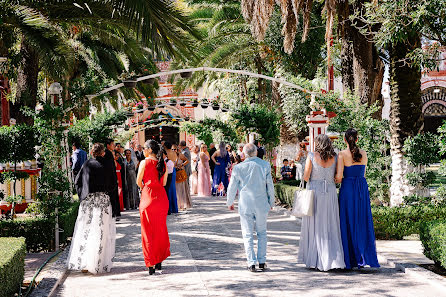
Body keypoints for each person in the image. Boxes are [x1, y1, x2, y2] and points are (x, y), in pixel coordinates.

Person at [298, 134, 345, 271]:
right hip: (330, 192)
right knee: (330, 224)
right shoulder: (335, 157)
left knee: (316, 225)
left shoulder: (312, 156)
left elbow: (306, 177)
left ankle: (317, 259)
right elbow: (338, 178)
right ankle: (332, 259)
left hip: (315, 191)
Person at [335, 128, 380, 270]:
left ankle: (351, 259)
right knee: (362, 220)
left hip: (348, 188)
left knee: (347, 220)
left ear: (344, 139)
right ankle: (364, 256)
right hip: (361, 187)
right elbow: (363, 173)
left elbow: (339, 177)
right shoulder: (364, 153)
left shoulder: (342, 154)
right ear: (357, 139)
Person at [227, 143, 275, 272]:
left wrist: (229, 202)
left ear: (244, 154)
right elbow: (270, 185)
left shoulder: (238, 168)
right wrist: (272, 202)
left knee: (247, 234)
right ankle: (262, 261)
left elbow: (232, 186)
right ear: (255, 152)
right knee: (262, 233)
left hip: (245, 204)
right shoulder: (265, 165)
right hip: (261, 203)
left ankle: (251, 262)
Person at [69, 143, 116, 274]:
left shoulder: (87, 165)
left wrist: (83, 194)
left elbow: (77, 182)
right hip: (103, 201)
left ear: (92, 153)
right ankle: (99, 263)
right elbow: (113, 184)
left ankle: (85, 262)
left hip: (88, 202)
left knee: (86, 229)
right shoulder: (107, 165)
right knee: (101, 231)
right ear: (103, 153)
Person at [136, 140, 171, 275]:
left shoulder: (144, 162)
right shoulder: (163, 164)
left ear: (150, 149)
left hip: (148, 197)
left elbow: (139, 181)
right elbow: (164, 182)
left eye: (144, 148)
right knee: (160, 230)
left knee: (148, 232)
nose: (143, 150)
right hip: (161, 199)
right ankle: (159, 262)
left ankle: (150, 263)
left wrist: (146, 188)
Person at [99, 138, 121, 219]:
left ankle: (115, 213)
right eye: (112, 144)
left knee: (114, 196)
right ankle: (114, 213)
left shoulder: (111, 153)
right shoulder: (107, 153)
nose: (114, 146)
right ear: (108, 145)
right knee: (112, 196)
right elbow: (109, 167)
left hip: (112, 176)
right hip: (110, 177)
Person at [173, 144, 192, 210]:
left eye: (174, 149)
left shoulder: (180, 155)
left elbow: (187, 160)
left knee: (182, 189)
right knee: (176, 190)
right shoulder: (171, 155)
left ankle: (183, 204)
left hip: (181, 173)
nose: (173, 150)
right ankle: (178, 204)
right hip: (175, 174)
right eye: (172, 149)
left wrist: (182, 165)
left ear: (177, 149)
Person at [164, 141, 178, 214]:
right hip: (173, 169)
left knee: (168, 188)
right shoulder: (174, 153)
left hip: (168, 170)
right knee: (173, 188)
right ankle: (174, 207)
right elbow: (176, 162)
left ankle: (169, 207)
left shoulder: (166, 153)